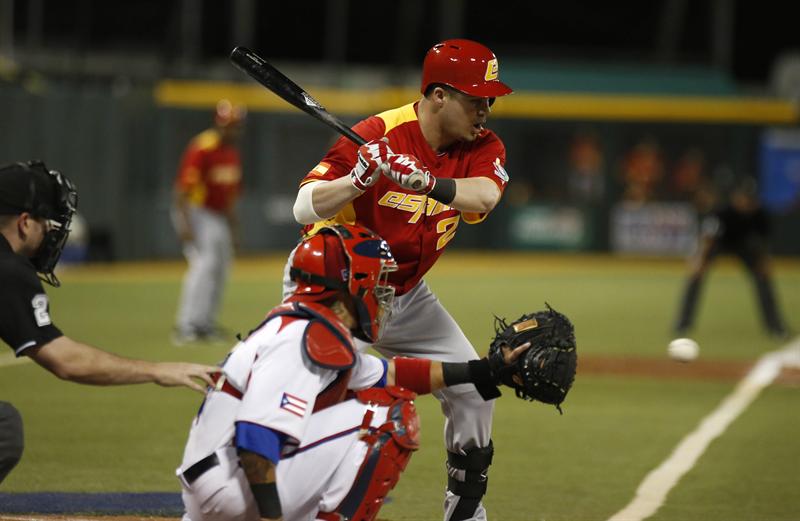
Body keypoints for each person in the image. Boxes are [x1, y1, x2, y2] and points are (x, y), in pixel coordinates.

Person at [286, 39, 512, 521]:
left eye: (489, 99)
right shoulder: (377, 133)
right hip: (337, 295)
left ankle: (465, 512)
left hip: (405, 297)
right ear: (438, 96)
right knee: (318, 406)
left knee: (475, 390)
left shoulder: (482, 147)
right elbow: (302, 207)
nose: (485, 110)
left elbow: (485, 196)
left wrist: (427, 183)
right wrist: (357, 181)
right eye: (475, 99)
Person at [176, 223, 528, 521]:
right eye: (376, 281)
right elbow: (255, 443)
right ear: (350, 285)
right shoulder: (302, 337)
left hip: (218, 476)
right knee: (389, 417)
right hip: (226, 485)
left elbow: (395, 374)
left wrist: (485, 370)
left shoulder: (311, 324)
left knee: (377, 397)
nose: (382, 291)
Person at [0, 160, 218, 484]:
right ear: (24, 223)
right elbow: (66, 361)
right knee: (6, 428)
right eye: (46, 223)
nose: (50, 232)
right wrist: (156, 370)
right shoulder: (8, 269)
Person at [674, 177, 789, 338]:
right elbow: (708, 238)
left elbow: (763, 244)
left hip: (745, 246)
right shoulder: (723, 212)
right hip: (719, 243)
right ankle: (682, 324)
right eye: (744, 197)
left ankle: (776, 327)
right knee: (695, 276)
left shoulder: (760, 215)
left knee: (764, 277)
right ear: (736, 196)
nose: (746, 202)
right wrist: (700, 259)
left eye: (750, 199)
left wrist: (763, 262)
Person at [172, 99, 246, 345]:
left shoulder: (232, 153)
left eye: (236, 125)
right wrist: (184, 224)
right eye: (229, 125)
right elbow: (182, 190)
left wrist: (234, 230)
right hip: (196, 211)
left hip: (217, 216)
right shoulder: (203, 147)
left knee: (222, 267)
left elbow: (229, 199)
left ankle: (205, 323)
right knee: (203, 265)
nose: (232, 130)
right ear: (219, 124)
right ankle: (186, 325)